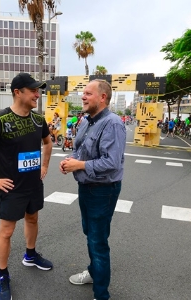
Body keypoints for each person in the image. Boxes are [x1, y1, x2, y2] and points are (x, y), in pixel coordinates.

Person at [0, 72, 53, 300]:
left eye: (38, 90)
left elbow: (48, 141)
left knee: (33, 219)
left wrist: (44, 165)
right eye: (33, 90)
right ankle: (3, 275)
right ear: (18, 92)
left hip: (34, 184)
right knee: (6, 231)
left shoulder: (38, 119)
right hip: (12, 188)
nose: (38, 94)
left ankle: (31, 255)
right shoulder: (0, 120)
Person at [59, 79, 126, 300]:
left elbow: (112, 162)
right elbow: (82, 151)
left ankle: (101, 294)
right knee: (90, 233)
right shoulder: (87, 121)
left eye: (88, 93)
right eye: (83, 93)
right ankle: (93, 272)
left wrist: (79, 165)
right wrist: (72, 161)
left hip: (103, 190)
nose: (83, 97)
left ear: (103, 97)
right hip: (86, 186)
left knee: (98, 241)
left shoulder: (113, 123)